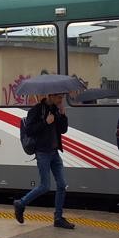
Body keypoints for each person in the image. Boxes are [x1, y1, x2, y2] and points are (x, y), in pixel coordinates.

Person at [13, 93, 74, 229]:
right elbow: (29, 130)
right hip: (42, 153)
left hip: (54, 152)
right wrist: (45, 122)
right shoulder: (36, 110)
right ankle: (21, 203)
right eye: (59, 97)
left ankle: (58, 218)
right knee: (45, 186)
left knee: (62, 185)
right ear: (51, 96)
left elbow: (63, 130)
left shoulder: (55, 109)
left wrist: (63, 115)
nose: (61, 100)